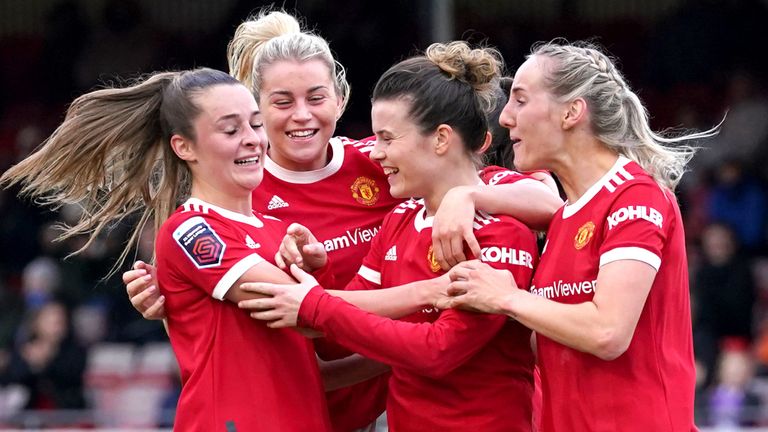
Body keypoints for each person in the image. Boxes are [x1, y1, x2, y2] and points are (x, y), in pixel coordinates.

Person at [124, 9, 562, 432]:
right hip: (317, 400)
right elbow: (292, 313)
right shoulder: (238, 196)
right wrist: (170, 304)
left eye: (315, 97)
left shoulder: (382, 161)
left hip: (393, 397)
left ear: (339, 98)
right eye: (280, 103)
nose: (301, 115)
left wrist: (468, 194)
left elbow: (545, 201)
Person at [1, 67, 332, 431]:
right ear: (183, 146)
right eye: (232, 128)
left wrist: (396, 352)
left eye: (255, 124)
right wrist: (405, 309)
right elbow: (316, 314)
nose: (254, 138)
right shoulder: (193, 228)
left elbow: (306, 366)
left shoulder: (277, 226)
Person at [238, 41, 538, 432]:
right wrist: (319, 278)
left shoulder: (502, 229)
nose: (374, 152)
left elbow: (438, 352)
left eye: (387, 138)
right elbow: (333, 342)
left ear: (442, 139)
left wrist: (314, 305)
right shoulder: (400, 218)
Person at [438, 40, 717, 431]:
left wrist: (506, 297)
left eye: (520, 99)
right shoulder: (565, 216)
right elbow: (552, 344)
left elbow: (607, 333)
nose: (504, 117)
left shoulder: (636, 195)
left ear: (571, 112)